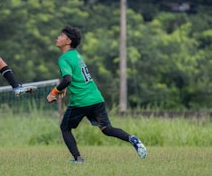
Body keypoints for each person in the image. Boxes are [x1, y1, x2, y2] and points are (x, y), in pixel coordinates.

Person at [47, 26, 147, 163]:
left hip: (81, 101)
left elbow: (68, 79)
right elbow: (72, 77)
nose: (57, 38)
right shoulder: (76, 55)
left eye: (61, 36)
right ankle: (132, 139)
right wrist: (64, 87)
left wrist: (54, 92)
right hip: (96, 98)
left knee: (65, 128)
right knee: (107, 129)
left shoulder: (64, 58)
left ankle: (78, 158)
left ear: (68, 41)